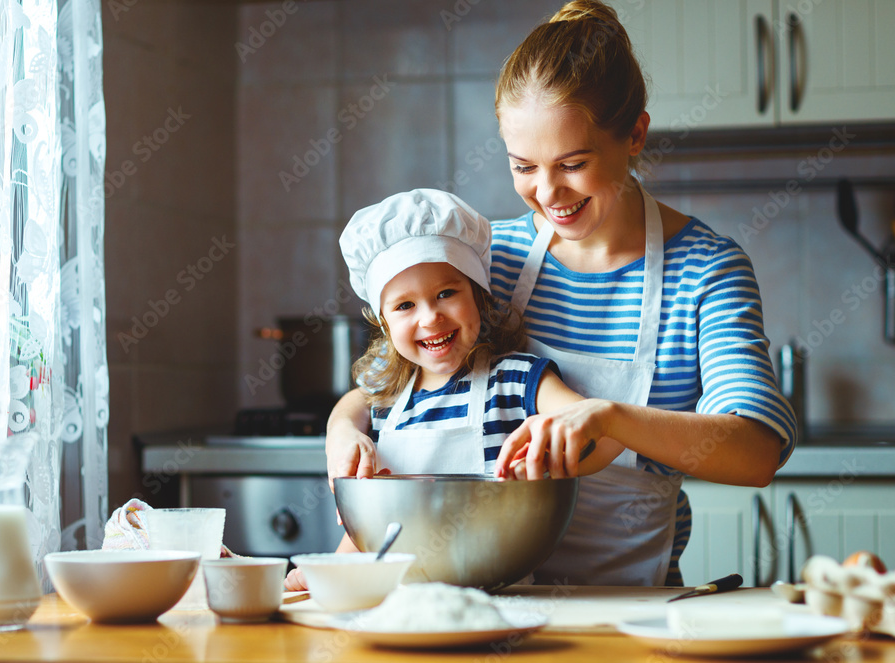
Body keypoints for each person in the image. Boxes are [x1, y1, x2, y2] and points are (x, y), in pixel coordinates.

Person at [324, 0, 797, 588]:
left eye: (573, 163)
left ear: (635, 134)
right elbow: (388, 386)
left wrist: (612, 419)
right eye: (523, 166)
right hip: (480, 603)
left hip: (630, 611)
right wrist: (342, 431)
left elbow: (755, 451)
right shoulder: (488, 259)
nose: (548, 193)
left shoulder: (704, 271)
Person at [283, 187, 621, 592]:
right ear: (385, 324)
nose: (430, 318)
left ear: (478, 296)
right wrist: (336, 570)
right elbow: (374, 522)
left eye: (446, 293)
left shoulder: (515, 380)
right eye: (404, 306)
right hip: (399, 603)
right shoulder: (390, 402)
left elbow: (602, 429)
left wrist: (558, 450)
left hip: (501, 596)